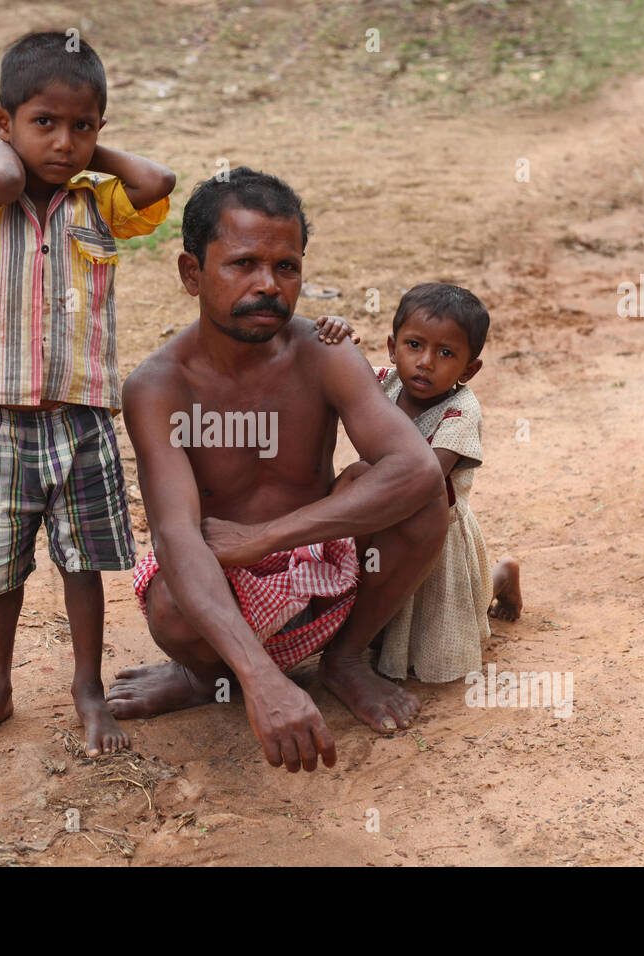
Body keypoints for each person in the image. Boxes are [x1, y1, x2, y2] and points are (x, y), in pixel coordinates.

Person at [108, 167, 450, 773]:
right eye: (243, 264)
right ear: (193, 274)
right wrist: (261, 679)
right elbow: (177, 535)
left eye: (286, 267)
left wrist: (269, 537)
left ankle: (344, 662)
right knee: (169, 606)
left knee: (425, 494)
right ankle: (207, 676)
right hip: (219, 580)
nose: (268, 285)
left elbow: (414, 468)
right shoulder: (158, 386)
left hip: (317, 559)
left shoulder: (324, 351)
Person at [0, 32, 176, 755]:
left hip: (81, 420)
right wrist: (23, 147)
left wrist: (83, 153)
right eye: (44, 122)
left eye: (83, 125)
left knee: (82, 565)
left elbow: (159, 182)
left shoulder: (100, 201)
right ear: (2, 123)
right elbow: (2, 184)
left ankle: (87, 689)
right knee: (0, 569)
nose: (64, 141)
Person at [320, 284, 523, 684]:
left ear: (469, 369)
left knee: (447, 611)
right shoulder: (385, 381)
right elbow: (340, 372)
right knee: (384, 593)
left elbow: (422, 479)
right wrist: (337, 335)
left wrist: (355, 477)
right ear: (393, 348)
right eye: (414, 345)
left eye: (446, 353)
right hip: (380, 518)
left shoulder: (461, 411)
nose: (426, 362)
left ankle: (503, 575)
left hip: (435, 533)